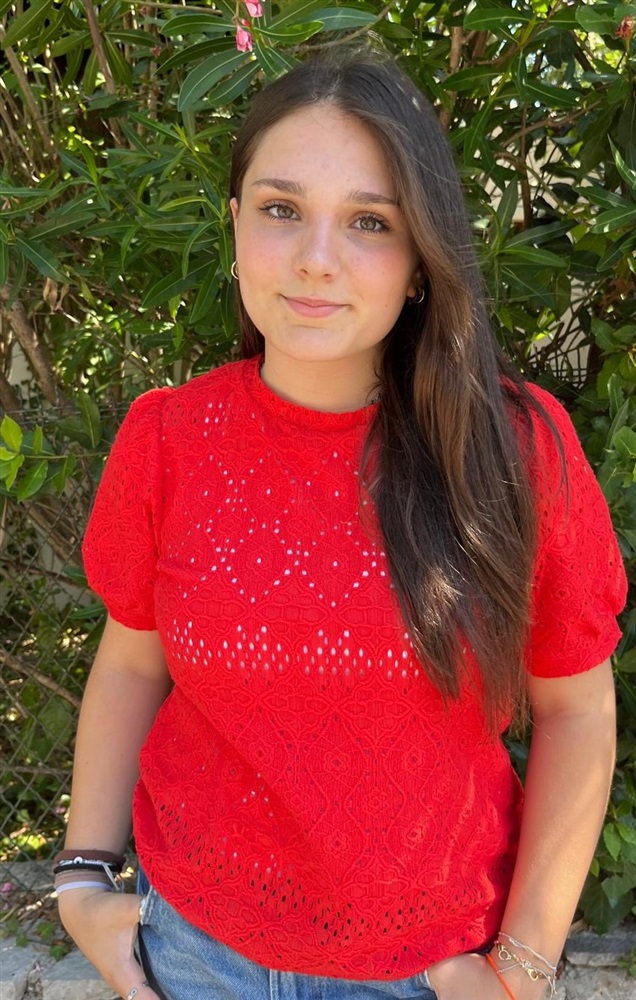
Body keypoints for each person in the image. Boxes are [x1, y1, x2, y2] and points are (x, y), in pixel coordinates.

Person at [56, 51, 627, 1000]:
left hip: (431, 969)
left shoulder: (514, 452)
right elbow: (129, 664)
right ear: (235, 223)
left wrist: (524, 969)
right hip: (195, 954)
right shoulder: (169, 440)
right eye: (281, 208)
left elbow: (577, 710)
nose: (316, 256)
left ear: (420, 260)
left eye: (369, 222)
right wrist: (81, 879)